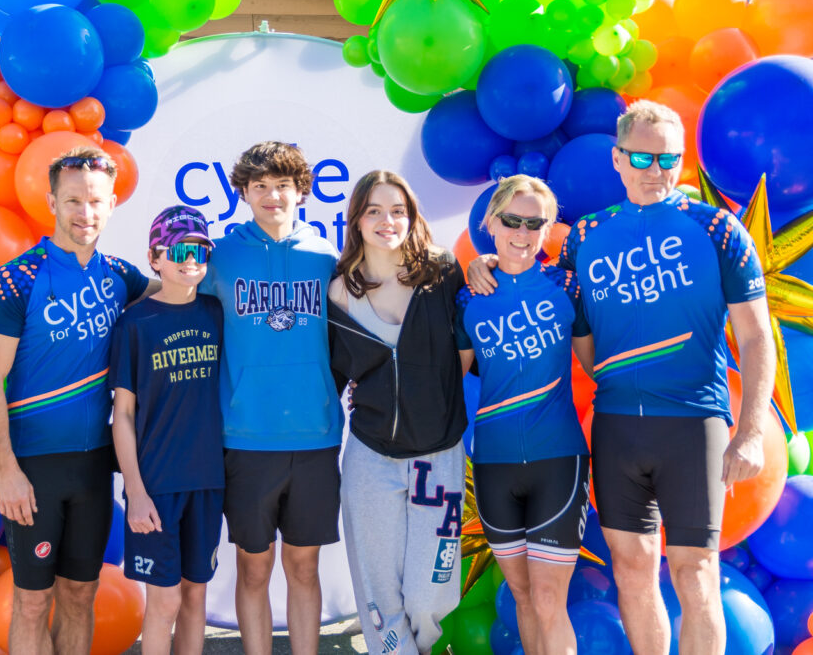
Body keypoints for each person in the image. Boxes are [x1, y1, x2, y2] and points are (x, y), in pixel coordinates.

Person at [467, 101, 775, 655]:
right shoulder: (586, 235)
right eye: (641, 156)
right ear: (617, 159)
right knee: (633, 568)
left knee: (695, 569)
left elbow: (756, 337)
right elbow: (562, 315)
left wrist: (751, 429)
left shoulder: (717, 228)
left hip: (693, 423)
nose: (655, 170)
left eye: (668, 159)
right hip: (617, 427)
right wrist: (481, 264)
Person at [0, 146, 157, 655]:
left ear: (113, 204)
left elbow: (179, 299)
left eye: (95, 201)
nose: (85, 213)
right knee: (32, 602)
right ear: (51, 201)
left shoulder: (122, 276)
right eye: (73, 200)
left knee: (82, 593)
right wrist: (6, 470)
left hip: (95, 466)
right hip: (33, 469)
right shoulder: (16, 279)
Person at [199, 141, 343, 655]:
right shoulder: (221, 256)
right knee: (253, 566)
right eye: (258, 185)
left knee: (304, 567)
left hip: (314, 435)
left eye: (282, 184)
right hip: (245, 435)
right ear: (242, 192)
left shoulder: (329, 257)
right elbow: (166, 292)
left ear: (302, 191)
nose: (271, 195)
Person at [327, 170, 472, 655]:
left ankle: (425, 648)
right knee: (378, 590)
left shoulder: (442, 273)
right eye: (374, 210)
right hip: (370, 455)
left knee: (431, 589)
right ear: (357, 220)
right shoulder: (338, 290)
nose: (387, 221)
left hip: (438, 456)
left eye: (397, 210)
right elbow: (330, 375)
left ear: (411, 216)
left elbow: (468, 342)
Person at [457, 175, 591, 655]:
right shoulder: (468, 295)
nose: (522, 232)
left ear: (547, 228)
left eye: (535, 223)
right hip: (493, 465)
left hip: (558, 460)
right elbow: (450, 379)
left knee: (551, 598)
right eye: (512, 219)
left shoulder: (566, 285)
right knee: (524, 596)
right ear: (491, 222)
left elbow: (599, 365)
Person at [109, 205, 224, 655]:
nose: (190, 258)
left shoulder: (216, 313)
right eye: (178, 249)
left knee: (195, 596)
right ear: (155, 257)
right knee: (164, 601)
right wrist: (134, 491)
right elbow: (123, 416)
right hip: (156, 488)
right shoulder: (135, 324)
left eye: (200, 249)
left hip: (208, 482)